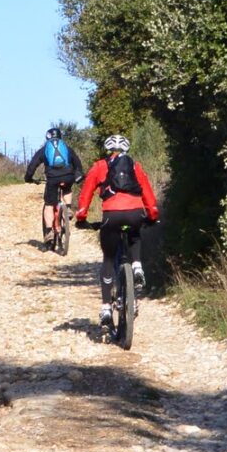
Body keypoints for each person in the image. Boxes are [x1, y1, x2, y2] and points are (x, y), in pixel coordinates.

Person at [74, 134, 159, 336]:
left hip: (111, 217)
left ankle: (105, 309)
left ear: (108, 149)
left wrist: (81, 217)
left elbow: (86, 194)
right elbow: (147, 192)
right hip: (135, 213)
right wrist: (152, 215)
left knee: (109, 259)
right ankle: (137, 266)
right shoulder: (135, 166)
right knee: (135, 234)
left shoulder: (99, 166)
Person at [23, 127, 85, 247]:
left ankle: (49, 232)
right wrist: (78, 173)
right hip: (68, 175)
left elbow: (33, 165)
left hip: (52, 178)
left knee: (49, 204)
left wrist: (28, 178)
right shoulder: (66, 147)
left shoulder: (44, 149)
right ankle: (67, 208)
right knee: (67, 188)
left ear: (47, 137)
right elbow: (77, 162)